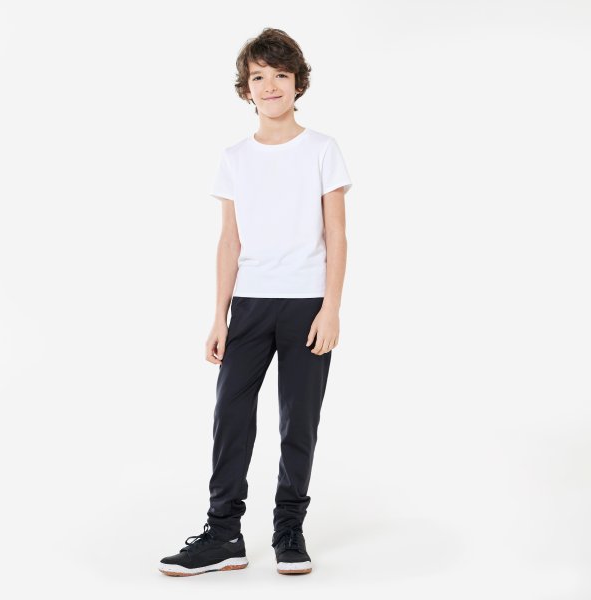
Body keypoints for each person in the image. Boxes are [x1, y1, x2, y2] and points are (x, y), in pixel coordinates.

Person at [159, 27, 352, 577]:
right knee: (231, 416)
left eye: (281, 75)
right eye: (259, 77)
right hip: (248, 305)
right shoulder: (235, 157)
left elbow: (337, 234)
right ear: (246, 88)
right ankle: (224, 533)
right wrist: (218, 317)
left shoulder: (322, 149)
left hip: (306, 304)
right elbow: (230, 241)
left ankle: (289, 529)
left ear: (298, 84)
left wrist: (331, 308)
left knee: (299, 420)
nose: (270, 86)